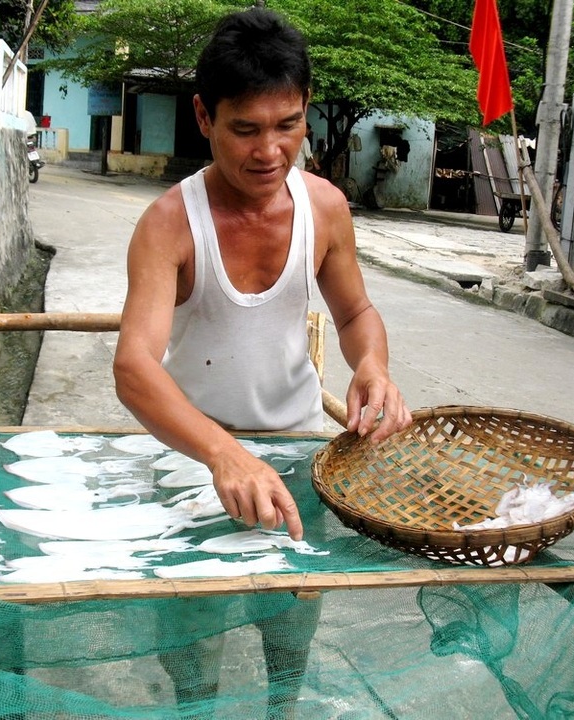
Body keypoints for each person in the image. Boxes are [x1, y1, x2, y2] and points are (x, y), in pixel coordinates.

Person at [113, 7, 411, 718]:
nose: (269, 151)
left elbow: (355, 314)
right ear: (203, 117)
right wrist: (221, 454)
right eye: (245, 128)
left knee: (291, 621)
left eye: (289, 125)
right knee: (190, 632)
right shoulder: (168, 225)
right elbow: (133, 366)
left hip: (301, 446)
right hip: (192, 453)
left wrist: (372, 366)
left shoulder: (325, 209)